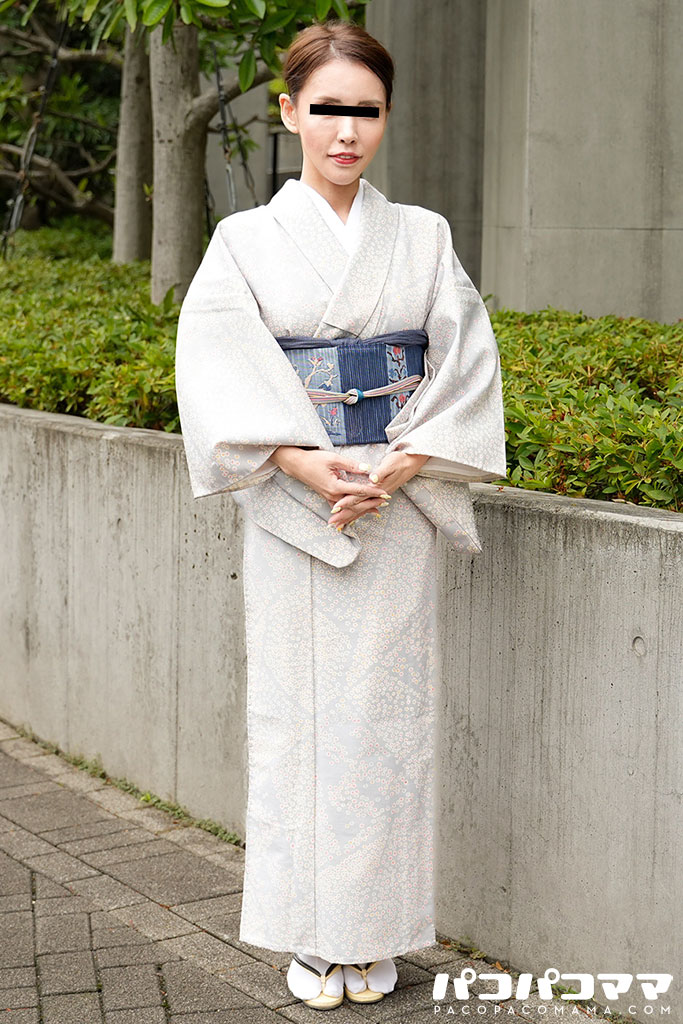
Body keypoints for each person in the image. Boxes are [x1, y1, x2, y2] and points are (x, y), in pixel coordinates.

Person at [174, 19, 507, 1012]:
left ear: (386, 117)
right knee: (298, 728)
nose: (346, 131)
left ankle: (375, 935)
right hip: (294, 509)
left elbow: (464, 360)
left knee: (386, 727)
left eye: (365, 111)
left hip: (394, 508)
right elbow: (217, 363)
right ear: (289, 113)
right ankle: (314, 938)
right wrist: (301, 462)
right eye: (325, 109)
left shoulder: (423, 236)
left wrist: (403, 462)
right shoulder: (243, 243)